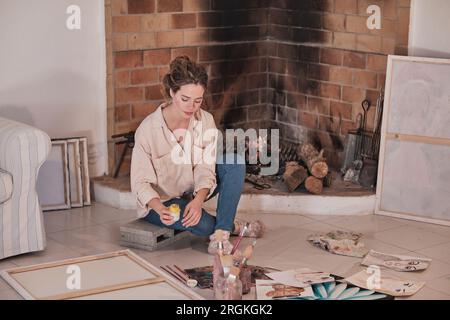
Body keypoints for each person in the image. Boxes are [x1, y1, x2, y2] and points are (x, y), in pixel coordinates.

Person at [130, 56, 264, 254]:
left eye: (198, 101)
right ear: (172, 93)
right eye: (185, 99)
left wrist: (198, 200)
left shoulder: (205, 120)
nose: (191, 107)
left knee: (234, 162)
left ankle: (221, 235)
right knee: (203, 226)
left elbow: (206, 167)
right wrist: (159, 209)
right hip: (163, 203)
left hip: (194, 190)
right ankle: (231, 227)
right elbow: (140, 183)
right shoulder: (148, 130)